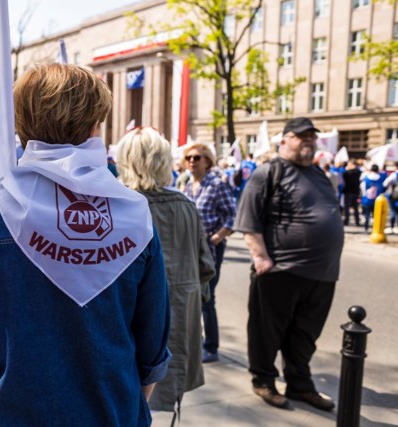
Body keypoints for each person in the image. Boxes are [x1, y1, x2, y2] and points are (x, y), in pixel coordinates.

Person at [0, 64, 171, 426]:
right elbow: (152, 346)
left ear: (21, 123)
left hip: (7, 413)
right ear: (94, 127)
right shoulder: (135, 216)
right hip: (111, 412)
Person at [234, 117, 343, 411]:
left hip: (322, 273)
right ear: (284, 140)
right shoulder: (269, 172)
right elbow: (249, 219)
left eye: (311, 136)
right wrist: (261, 258)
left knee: (305, 334)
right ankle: (264, 381)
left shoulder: (319, 174)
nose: (308, 141)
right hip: (281, 269)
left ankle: (299, 384)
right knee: (267, 330)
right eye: (300, 136)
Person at [116, 127, 215, 419]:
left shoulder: (118, 204)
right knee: (163, 391)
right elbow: (205, 266)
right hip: (179, 313)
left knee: (131, 396)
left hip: (131, 315)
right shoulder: (185, 204)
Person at [182, 142, 236, 363]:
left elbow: (232, 216)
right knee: (193, 296)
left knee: (207, 297)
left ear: (207, 161)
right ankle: (197, 341)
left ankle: (211, 347)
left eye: (197, 157)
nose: (192, 161)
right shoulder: (186, 186)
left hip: (210, 249)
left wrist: (216, 238)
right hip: (190, 249)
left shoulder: (216, 185)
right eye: (188, 158)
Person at [360, 164, 384, 232]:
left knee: (366, 215)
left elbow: (362, 188)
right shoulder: (381, 178)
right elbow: (383, 186)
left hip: (366, 199)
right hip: (377, 200)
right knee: (376, 216)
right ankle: (375, 229)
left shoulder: (366, 177)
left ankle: (366, 228)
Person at [342, 160, 362, 226]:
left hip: (348, 192)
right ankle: (357, 222)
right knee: (355, 208)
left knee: (348, 208)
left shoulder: (347, 173)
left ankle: (346, 221)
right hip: (355, 192)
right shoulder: (358, 172)